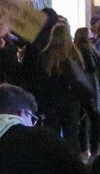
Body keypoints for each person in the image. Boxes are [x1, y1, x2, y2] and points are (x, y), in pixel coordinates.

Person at [32, 23, 94, 153]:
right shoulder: (74, 55)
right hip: (71, 101)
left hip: (51, 102)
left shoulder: (45, 55)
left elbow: (39, 81)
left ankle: (53, 163)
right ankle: (72, 164)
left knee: (51, 136)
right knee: (71, 136)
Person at [73, 27, 100, 158]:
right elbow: (92, 67)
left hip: (81, 88)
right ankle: (93, 149)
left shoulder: (75, 48)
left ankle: (84, 148)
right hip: (90, 86)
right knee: (95, 117)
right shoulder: (88, 48)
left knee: (84, 119)